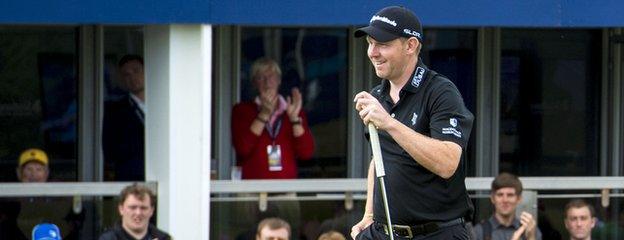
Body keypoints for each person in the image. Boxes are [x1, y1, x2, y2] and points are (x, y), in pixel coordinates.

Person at [350, 5, 474, 240]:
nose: (372, 52)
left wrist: (389, 123)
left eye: (383, 44)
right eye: (370, 42)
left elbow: (448, 162)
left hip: (436, 233)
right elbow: (380, 158)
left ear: (411, 45)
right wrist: (368, 215)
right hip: (382, 231)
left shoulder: (440, 91)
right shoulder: (378, 95)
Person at [231, 57, 315, 179]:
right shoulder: (242, 110)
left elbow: (306, 153)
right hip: (250, 189)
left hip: (285, 189)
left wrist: (294, 119)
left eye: (272, 77)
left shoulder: (292, 110)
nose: (267, 82)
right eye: (261, 77)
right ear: (254, 83)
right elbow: (243, 149)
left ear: (279, 80)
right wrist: (263, 115)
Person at [13, 148, 84, 240]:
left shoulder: (58, 194)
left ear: (46, 173)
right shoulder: (9, 198)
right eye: (29, 169)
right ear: (19, 173)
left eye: (39, 169)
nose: (33, 174)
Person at [102, 54, 146, 181]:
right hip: (130, 178)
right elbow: (110, 151)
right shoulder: (114, 111)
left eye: (136, 71)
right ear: (122, 80)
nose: (132, 77)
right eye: (126, 74)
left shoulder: (165, 106)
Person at [473, 173, 542, 240]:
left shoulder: (530, 230)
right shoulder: (479, 232)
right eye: (500, 195)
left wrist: (531, 238)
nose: (505, 200)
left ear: (519, 199)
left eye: (510, 195)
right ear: (493, 199)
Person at [99, 183, 171, 240]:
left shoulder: (163, 238)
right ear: (121, 209)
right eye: (132, 207)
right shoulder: (108, 238)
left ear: (151, 210)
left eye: (143, 208)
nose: (138, 213)